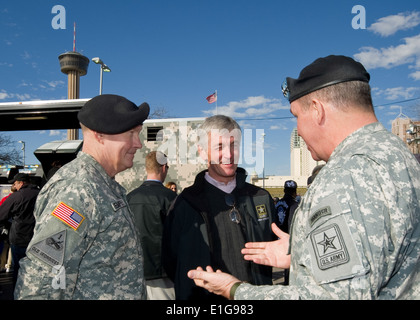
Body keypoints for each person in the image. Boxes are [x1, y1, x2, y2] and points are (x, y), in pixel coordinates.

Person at [187, 55, 420, 300]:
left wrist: (235, 290)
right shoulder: (400, 156)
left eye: (296, 116)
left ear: (317, 110)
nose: (298, 129)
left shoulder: (347, 176)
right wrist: (302, 253)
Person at [14, 94, 150, 300]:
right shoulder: (78, 189)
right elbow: (40, 283)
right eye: (131, 133)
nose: (138, 144)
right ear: (99, 135)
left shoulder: (104, 185)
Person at [163, 114, 278, 300]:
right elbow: (170, 261)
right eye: (219, 147)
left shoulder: (260, 199)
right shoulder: (184, 204)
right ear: (202, 151)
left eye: (234, 146)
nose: (229, 154)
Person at [127, 151, 177, 300]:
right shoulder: (171, 198)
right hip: (163, 274)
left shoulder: (129, 197)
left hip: (133, 272)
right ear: (163, 168)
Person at [0, 173, 39, 288]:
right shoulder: (41, 193)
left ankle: (19, 292)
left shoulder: (17, 196)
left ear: (21, 183)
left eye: (15, 183)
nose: (14, 186)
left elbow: (2, 215)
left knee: (19, 269)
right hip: (38, 238)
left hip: (20, 238)